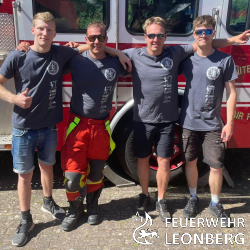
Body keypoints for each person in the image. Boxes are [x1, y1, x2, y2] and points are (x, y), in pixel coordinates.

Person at [96, 16, 249, 222]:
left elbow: (205, 41)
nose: (155, 39)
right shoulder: (133, 54)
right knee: (142, 159)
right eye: (151, 35)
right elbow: (98, 47)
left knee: (165, 161)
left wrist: (232, 40)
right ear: (145, 37)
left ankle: (161, 200)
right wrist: (107, 51)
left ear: (165, 37)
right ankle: (144, 196)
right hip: (142, 119)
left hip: (168, 121)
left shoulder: (176, 52)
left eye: (160, 35)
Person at [0, 12, 80, 247]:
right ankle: (26, 220)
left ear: (55, 34)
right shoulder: (18, 56)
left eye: (50, 30)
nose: (45, 33)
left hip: (49, 128)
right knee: (25, 175)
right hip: (23, 129)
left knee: (47, 167)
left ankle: (48, 202)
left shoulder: (60, 52)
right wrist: (13, 99)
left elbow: (90, 47)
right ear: (33, 31)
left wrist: (115, 52)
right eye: (41, 29)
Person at [60, 21, 129, 232]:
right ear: (86, 39)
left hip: (101, 127)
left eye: (101, 37)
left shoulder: (116, 63)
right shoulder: (76, 60)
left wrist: (117, 53)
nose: (96, 41)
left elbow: (143, 59)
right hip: (78, 126)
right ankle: (74, 209)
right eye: (92, 38)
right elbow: (50, 56)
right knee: (72, 176)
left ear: (106, 39)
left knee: (97, 172)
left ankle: (93, 206)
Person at [179, 15, 237, 224]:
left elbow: (232, 94)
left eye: (207, 31)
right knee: (190, 161)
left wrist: (229, 123)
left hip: (213, 123)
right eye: (199, 32)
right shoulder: (186, 60)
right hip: (189, 122)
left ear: (213, 33)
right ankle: (193, 198)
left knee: (216, 166)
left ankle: (215, 203)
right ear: (194, 34)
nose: (203, 35)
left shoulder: (224, 60)